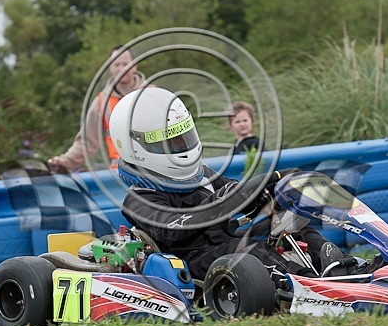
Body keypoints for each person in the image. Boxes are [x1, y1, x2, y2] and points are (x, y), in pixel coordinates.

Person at [109, 87, 358, 281]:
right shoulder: (138, 199)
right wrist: (231, 197)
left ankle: (341, 264)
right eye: (168, 143)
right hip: (195, 260)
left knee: (288, 224)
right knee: (245, 249)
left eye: (182, 138)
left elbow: (240, 195)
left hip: (228, 243)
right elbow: (175, 228)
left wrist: (274, 188)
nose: (180, 148)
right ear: (135, 148)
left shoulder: (203, 176)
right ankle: (308, 283)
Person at [47, 46, 146, 173]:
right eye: (116, 64)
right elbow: (87, 143)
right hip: (120, 175)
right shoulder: (101, 102)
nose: (121, 69)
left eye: (125, 64)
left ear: (135, 65)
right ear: (110, 67)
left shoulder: (152, 94)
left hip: (152, 173)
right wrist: (64, 163)